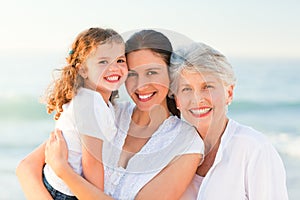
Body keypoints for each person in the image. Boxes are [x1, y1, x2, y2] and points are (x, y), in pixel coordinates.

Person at [16, 29, 204, 199]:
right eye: (132, 74)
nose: (141, 85)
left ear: (171, 76)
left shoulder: (187, 143)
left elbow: (56, 165)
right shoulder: (111, 111)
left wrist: (64, 171)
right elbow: (26, 168)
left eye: (152, 72)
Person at [17, 27, 128, 199]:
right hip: (65, 194)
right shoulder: (91, 105)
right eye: (103, 62)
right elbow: (92, 165)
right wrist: (98, 195)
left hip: (61, 186)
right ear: (83, 70)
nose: (114, 68)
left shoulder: (95, 101)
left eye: (120, 60)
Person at [169, 42, 289, 199]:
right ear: (177, 100)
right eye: (186, 89)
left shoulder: (254, 149)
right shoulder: (168, 150)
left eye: (208, 87)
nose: (197, 99)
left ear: (229, 93)